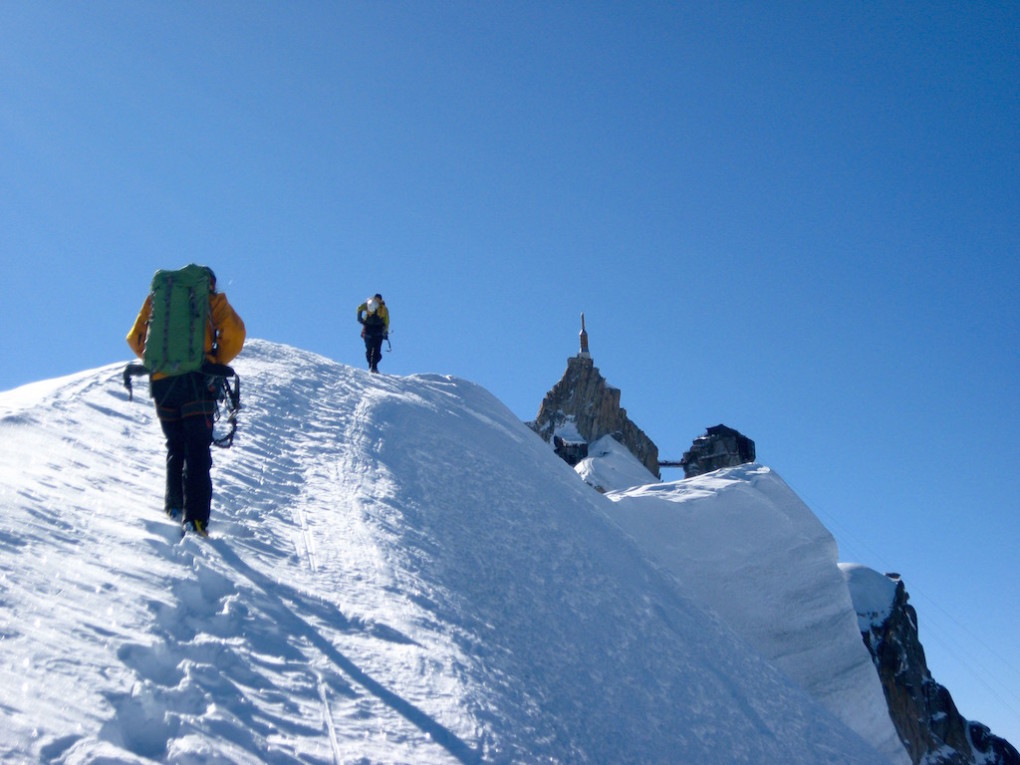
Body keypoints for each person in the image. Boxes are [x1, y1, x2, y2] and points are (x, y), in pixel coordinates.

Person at [126, 266, 246, 536]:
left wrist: (160, 364)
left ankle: (174, 507)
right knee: (197, 450)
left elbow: (136, 337)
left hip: (161, 384)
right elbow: (235, 336)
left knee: (175, 444)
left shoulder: (156, 298)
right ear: (209, 284)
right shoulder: (212, 301)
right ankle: (196, 519)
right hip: (196, 382)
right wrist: (215, 360)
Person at [356, 293, 389, 373]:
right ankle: (373, 367)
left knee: (370, 350)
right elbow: (387, 321)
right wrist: (385, 332)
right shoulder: (384, 308)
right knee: (376, 350)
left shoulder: (369, 304)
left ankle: (372, 366)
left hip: (368, 330)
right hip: (378, 331)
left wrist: (360, 318)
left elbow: (359, 308)